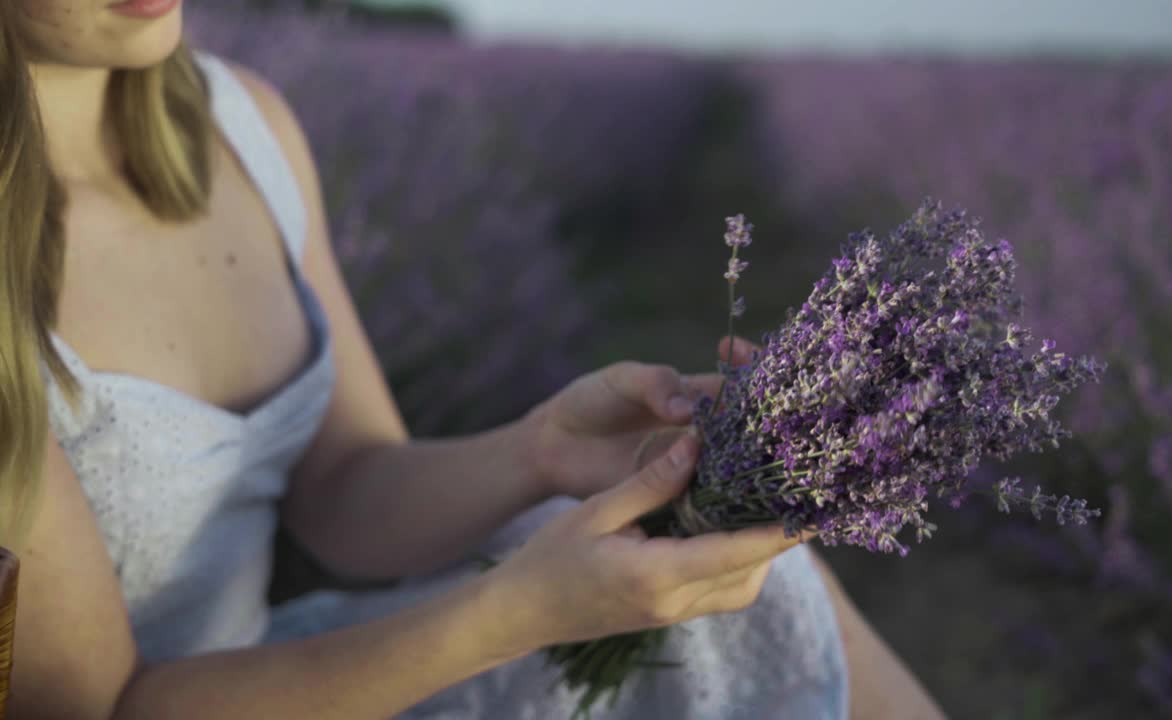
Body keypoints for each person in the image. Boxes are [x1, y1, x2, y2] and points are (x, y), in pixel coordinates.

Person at [0, 2, 943, 718]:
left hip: (316, 663)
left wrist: (542, 449)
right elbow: (103, 710)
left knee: (744, 584)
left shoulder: (245, 123)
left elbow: (342, 485)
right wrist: (518, 612)